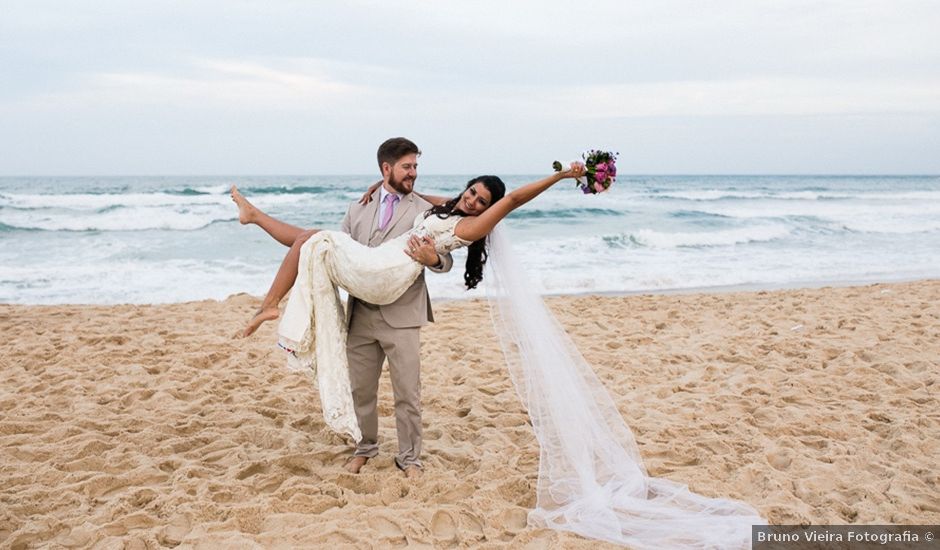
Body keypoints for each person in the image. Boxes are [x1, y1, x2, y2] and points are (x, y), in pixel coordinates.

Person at [232, 137, 457, 478]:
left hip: (403, 314)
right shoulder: (358, 209)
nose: (413, 173)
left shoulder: (423, 210)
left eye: (415, 167)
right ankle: (365, 447)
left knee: (407, 393)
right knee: (360, 390)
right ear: (386, 169)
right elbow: (344, 258)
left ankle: (410, 458)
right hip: (362, 314)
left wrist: (435, 259)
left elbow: (450, 251)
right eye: (406, 167)